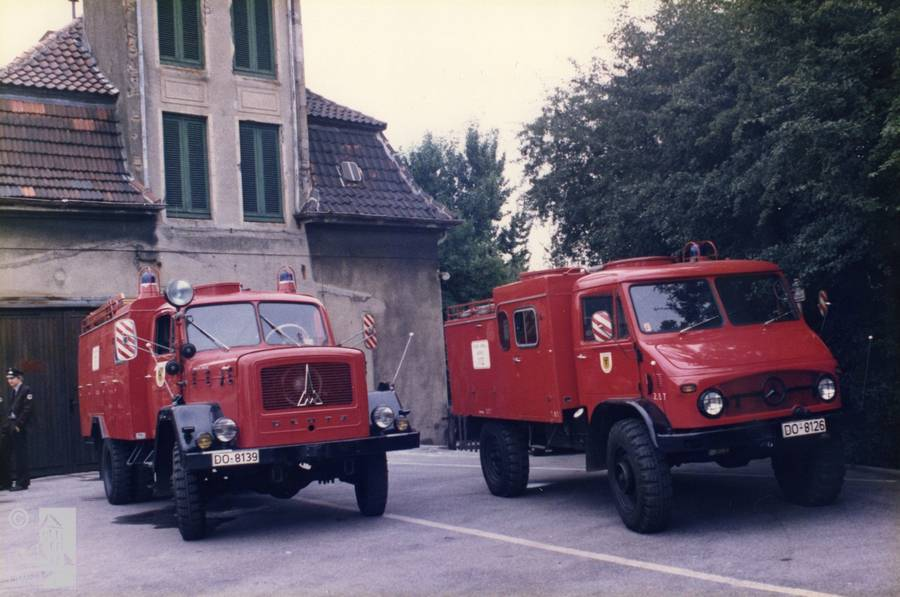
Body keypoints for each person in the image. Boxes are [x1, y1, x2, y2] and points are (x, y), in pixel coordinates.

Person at [3, 368, 33, 491]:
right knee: (11, 453)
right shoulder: (14, 391)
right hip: (13, 425)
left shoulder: (26, 390)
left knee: (21, 455)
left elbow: (27, 409)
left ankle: (22, 482)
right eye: (8, 379)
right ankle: (12, 481)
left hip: (20, 427)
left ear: (19, 378)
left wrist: (18, 425)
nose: (9, 381)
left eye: (12, 378)